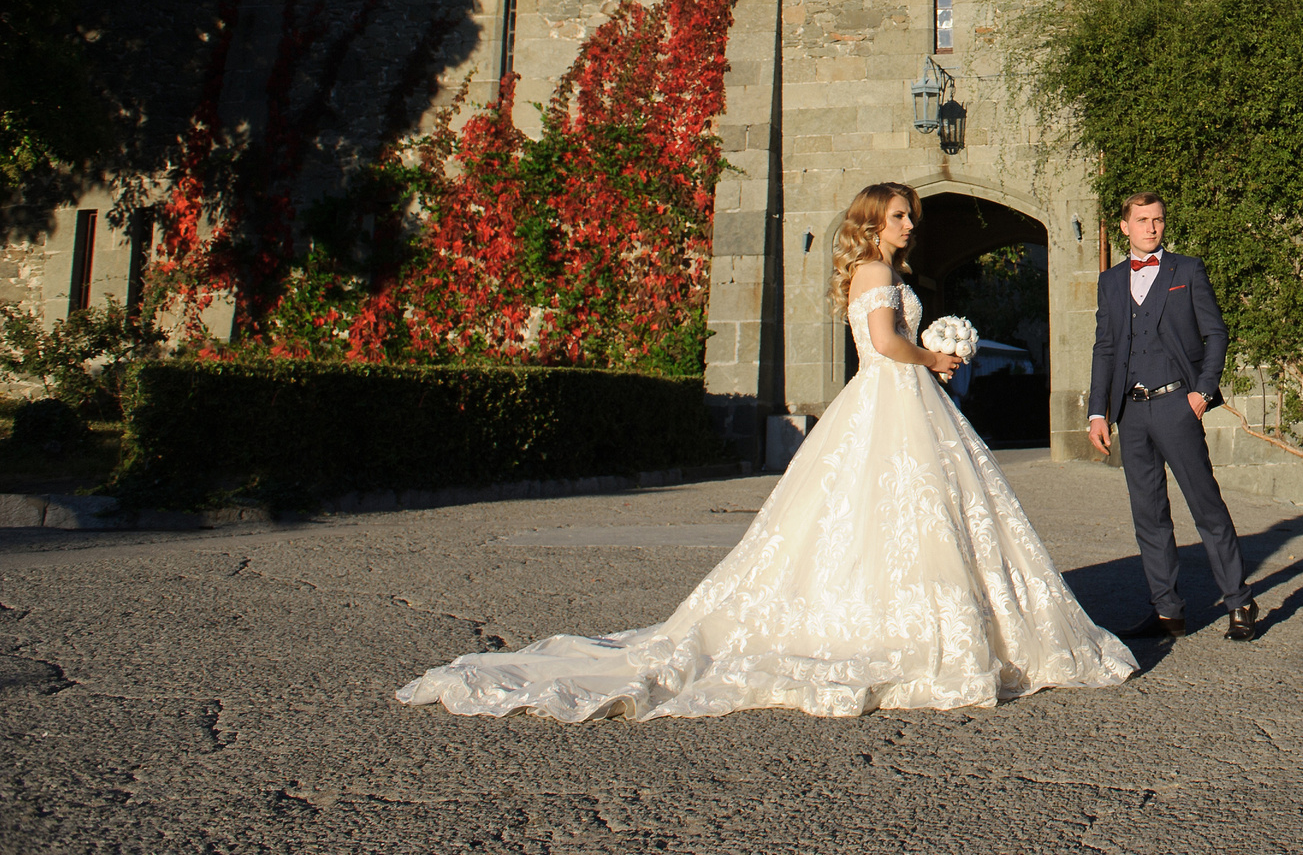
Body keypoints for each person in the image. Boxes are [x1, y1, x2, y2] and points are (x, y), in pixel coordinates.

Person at [397, 182, 1135, 721]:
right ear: (875, 221)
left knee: (925, 515)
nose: (912, 223)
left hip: (902, 404)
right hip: (891, 398)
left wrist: (932, 352)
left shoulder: (892, 275)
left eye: (912, 214)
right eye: (902, 214)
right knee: (893, 514)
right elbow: (881, 345)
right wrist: (935, 358)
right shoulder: (875, 274)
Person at [1087, 192, 1258, 642]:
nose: (1152, 227)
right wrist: (1096, 413)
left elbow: (1216, 333)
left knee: (1206, 506)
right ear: (1124, 226)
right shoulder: (1110, 281)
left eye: (1158, 220)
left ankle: (1239, 603)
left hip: (1176, 405)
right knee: (1149, 514)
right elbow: (1105, 347)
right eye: (1142, 220)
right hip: (1131, 412)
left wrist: (1202, 392)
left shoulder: (1187, 270)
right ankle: (1168, 612)